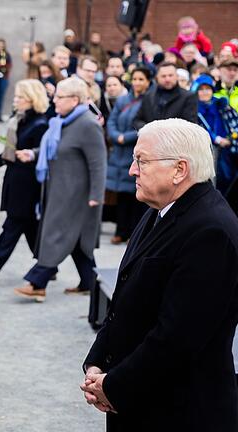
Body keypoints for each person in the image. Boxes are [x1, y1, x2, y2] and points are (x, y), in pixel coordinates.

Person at [82, 118, 238, 431]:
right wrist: (97, 362)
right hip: (142, 400)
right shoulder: (159, 210)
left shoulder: (210, 232)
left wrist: (113, 385)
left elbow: (177, 337)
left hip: (181, 412)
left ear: (179, 170)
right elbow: (125, 301)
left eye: (141, 160)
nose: (132, 170)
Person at [13, 77, 106, 301]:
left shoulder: (87, 124)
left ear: (75, 100)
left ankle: (38, 282)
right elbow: (57, 149)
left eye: (59, 97)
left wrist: (96, 195)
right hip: (60, 191)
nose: (54, 100)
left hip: (78, 195)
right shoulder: (61, 121)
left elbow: (98, 162)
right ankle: (89, 282)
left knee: (56, 235)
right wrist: (33, 154)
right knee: (76, 241)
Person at [0, 80, 50, 281]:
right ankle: (48, 265)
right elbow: (11, 149)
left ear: (32, 99)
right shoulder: (20, 119)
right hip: (15, 180)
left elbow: (40, 156)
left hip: (27, 184)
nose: (15, 100)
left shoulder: (40, 124)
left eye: (20, 97)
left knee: (12, 226)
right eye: (15, 96)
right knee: (29, 227)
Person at [106, 65, 151, 244]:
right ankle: (121, 230)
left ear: (148, 81)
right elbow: (112, 121)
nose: (137, 82)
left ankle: (134, 232)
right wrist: (117, 136)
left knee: (137, 194)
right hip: (119, 151)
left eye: (141, 79)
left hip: (136, 149)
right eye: (134, 79)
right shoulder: (123, 100)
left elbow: (147, 124)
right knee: (122, 193)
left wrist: (128, 137)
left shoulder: (149, 100)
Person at [195, 74, 238, 207]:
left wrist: (230, 138)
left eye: (208, 89)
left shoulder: (221, 105)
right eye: (201, 89)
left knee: (227, 180)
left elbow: (235, 124)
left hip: (226, 151)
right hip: (205, 151)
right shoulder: (194, 108)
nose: (205, 92)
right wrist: (216, 139)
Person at [133, 62, 197, 130]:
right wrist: (150, 130)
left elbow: (190, 124)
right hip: (152, 138)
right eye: (163, 76)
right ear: (157, 78)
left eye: (170, 75)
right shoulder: (148, 96)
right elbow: (137, 120)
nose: (167, 79)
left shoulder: (188, 97)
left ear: (177, 76)